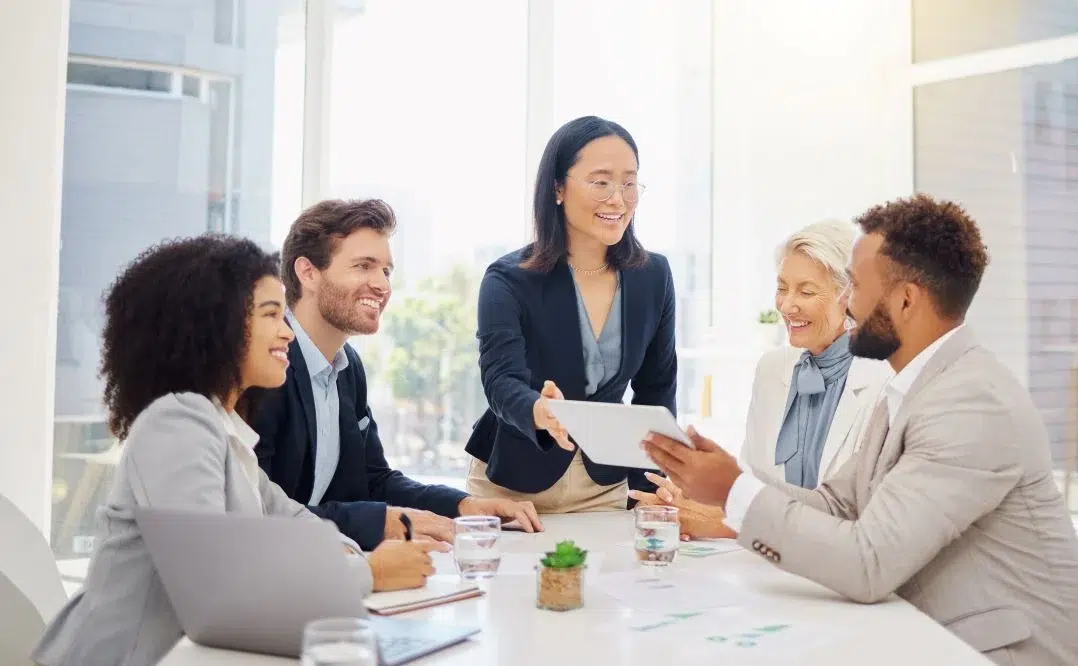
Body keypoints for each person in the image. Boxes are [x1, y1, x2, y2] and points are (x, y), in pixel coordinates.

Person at [641, 195, 1078, 664]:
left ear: (906, 300)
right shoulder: (919, 384)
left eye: (856, 285)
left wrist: (734, 491)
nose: (849, 303)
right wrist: (728, 488)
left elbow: (868, 564)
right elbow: (838, 503)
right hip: (933, 634)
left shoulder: (970, 402)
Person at [33, 236, 437, 666]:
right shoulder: (177, 423)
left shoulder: (223, 430)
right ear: (213, 324)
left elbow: (299, 527)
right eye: (270, 315)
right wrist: (370, 572)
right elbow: (215, 586)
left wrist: (353, 558)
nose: (287, 331)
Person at [248, 199, 541, 552]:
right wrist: (381, 522)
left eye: (386, 271)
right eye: (363, 266)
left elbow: (374, 480)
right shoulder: (265, 365)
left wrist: (463, 506)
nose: (381, 286)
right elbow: (257, 510)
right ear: (308, 272)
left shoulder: (347, 368)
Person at [464, 115, 677, 512]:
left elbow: (657, 389)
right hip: (513, 485)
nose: (618, 198)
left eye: (629, 183)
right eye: (601, 182)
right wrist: (539, 411)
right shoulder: (508, 279)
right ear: (558, 188)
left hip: (607, 484)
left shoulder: (653, 276)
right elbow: (500, 379)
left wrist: (656, 480)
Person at [630, 220, 892, 538]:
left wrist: (719, 521)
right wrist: (691, 502)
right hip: (766, 565)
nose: (785, 305)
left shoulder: (886, 381)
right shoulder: (773, 369)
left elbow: (857, 517)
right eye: (781, 288)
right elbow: (750, 489)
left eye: (806, 291)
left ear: (850, 294)